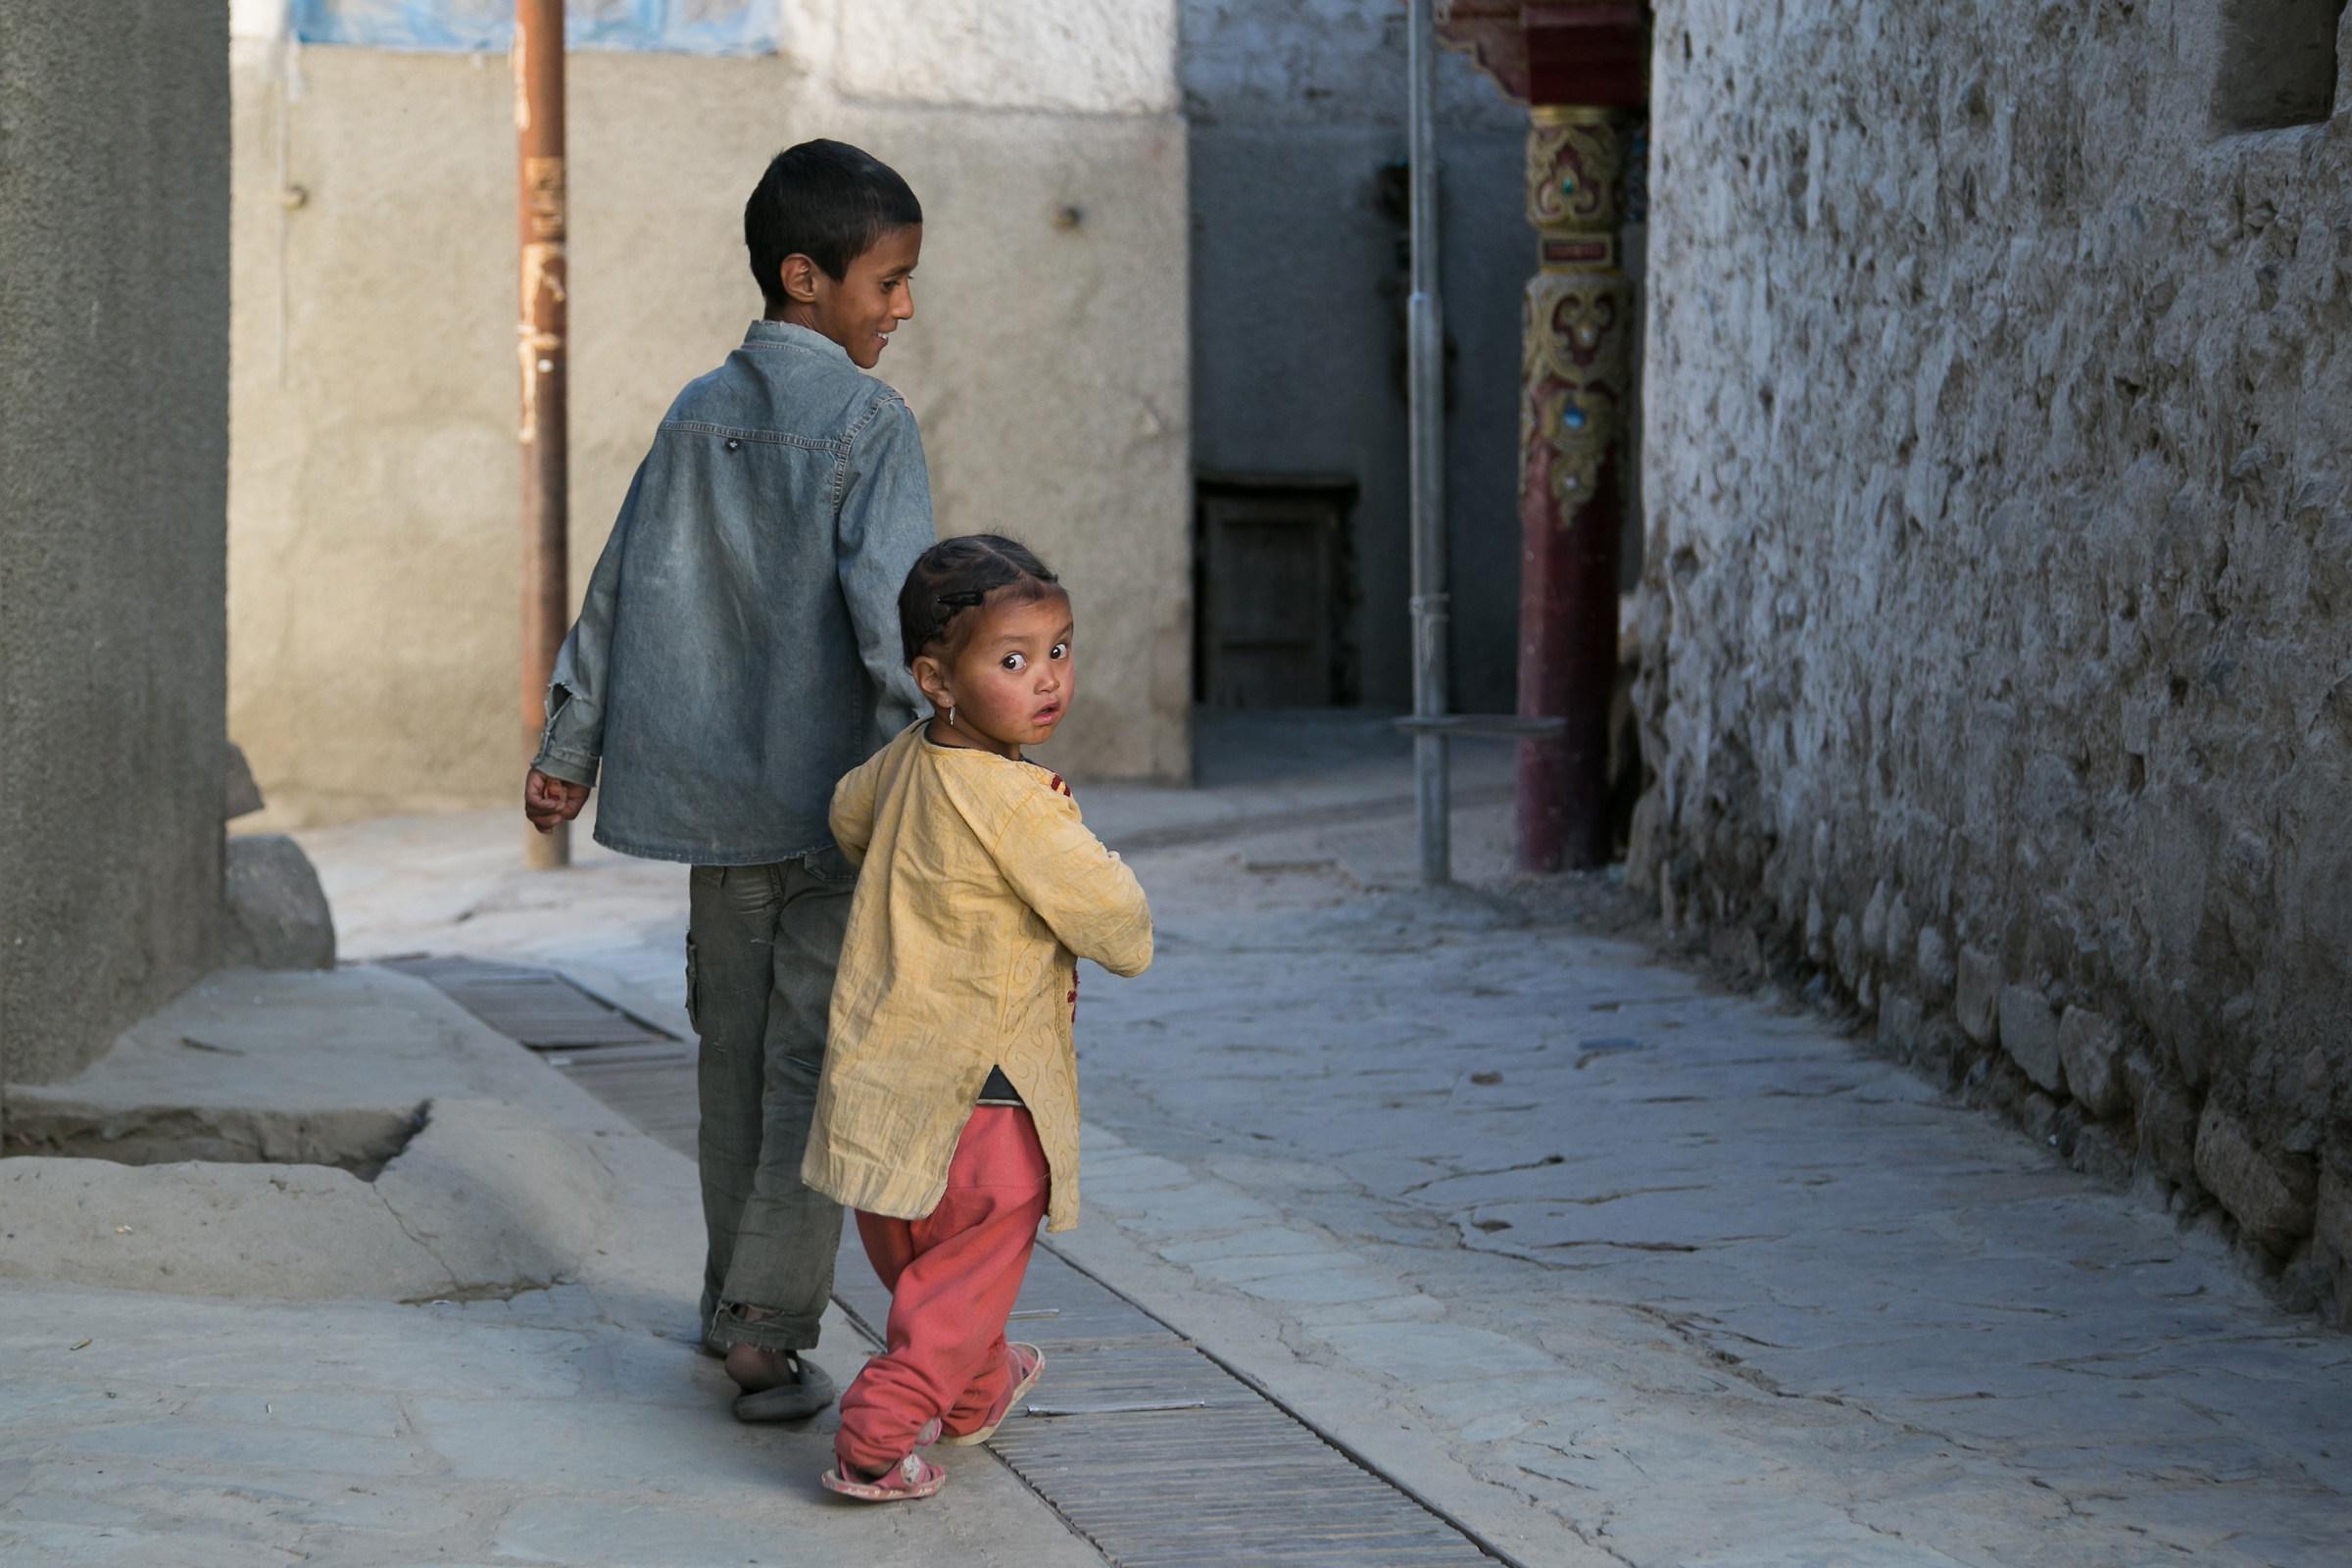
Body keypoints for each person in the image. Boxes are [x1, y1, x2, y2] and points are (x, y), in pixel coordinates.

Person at [521, 139, 936, 1423]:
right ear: (805, 278)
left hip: (720, 823)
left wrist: (568, 747)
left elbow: (619, 588)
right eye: (889, 282)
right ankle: (765, 1330)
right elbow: (895, 625)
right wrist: (947, 773)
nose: (904, 308)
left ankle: (727, 1305)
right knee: (812, 1070)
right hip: (834, 819)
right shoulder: (871, 427)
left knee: (732, 1062)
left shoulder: (695, 411)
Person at [805, 536, 1152, 1501]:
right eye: (1013, 659)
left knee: (941, 1280)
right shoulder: (1019, 807)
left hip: (882, 1084)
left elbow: (844, 814)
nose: (1048, 680)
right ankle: (875, 1435)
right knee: (965, 1277)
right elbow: (1122, 930)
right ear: (936, 677)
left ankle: (975, 1396)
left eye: (1060, 649)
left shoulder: (909, 762)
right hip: (984, 1098)